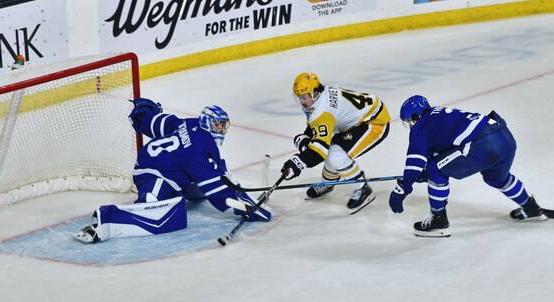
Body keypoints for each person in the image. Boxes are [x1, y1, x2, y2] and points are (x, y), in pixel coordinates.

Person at [75, 104, 271, 243]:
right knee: (155, 212)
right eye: (218, 125)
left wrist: (145, 116)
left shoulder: (190, 123)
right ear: (208, 123)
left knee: (199, 188)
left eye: (223, 125)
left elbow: (161, 123)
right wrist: (240, 206)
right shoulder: (200, 148)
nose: (221, 129)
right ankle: (106, 221)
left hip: (172, 170)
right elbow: (215, 189)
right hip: (154, 173)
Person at [389, 95, 552, 237]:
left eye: (409, 121)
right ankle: (531, 208)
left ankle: (438, 220)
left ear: (416, 117)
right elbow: (447, 148)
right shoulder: (439, 116)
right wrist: (424, 175)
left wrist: (403, 187)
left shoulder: (420, 128)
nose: (410, 126)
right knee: (498, 178)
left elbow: (415, 163)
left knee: (435, 168)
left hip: (482, 144)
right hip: (503, 135)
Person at [280, 73, 392, 214]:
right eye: (299, 97)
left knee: (335, 154)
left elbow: (318, 153)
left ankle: (362, 188)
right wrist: (305, 138)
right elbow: (316, 126)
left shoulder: (322, 111)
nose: (301, 102)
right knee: (333, 150)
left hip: (374, 123)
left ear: (314, 93)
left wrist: (297, 163)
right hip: (360, 119)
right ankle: (328, 182)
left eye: (304, 97)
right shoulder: (321, 95)